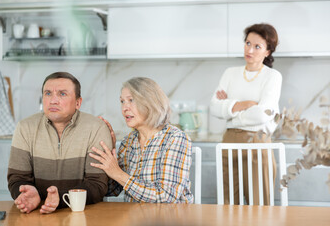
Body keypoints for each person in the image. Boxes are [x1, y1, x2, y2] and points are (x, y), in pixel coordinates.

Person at [7, 72, 113, 214]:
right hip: (38, 213)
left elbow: (97, 184)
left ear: (78, 102)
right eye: (48, 93)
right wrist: (25, 193)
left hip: (85, 214)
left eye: (62, 94)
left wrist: (61, 198)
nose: (53, 100)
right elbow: (17, 178)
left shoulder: (97, 128)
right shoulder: (25, 127)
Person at [90, 77, 194, 203]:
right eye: (122, 101)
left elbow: (166, 196)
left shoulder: (175, 139)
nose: (124, 108)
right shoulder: (129, 141)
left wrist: (118, 174)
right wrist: (109, 148)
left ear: (150, 103)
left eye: (131, 100)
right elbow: (113, 190)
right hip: (135, 217)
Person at [210, 23, 282, 205]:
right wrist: (243, 105)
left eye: (257, 46)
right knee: (227, 203)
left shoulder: (272, 77)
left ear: (268, 52)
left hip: (258, 142)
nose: (249, 49)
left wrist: (230, 111)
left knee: (260, 205)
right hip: (229, 141)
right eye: (247, 43)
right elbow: (213, 107)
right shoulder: (230, 73)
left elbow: (263, 114)